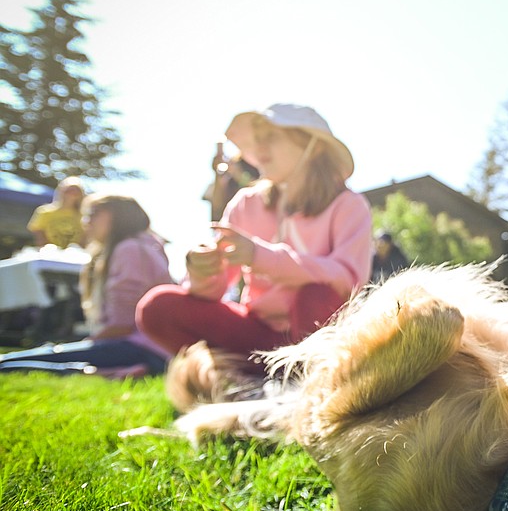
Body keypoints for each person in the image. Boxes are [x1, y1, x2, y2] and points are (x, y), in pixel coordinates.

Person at [136, 104, 373, 366]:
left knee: (316, 295)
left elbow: (348, 279)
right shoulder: (246, 204)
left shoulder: (348, 205)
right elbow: (217, 287)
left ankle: (300, 379)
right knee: (157, 307)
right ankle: (254, 377)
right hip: (255, 332)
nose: (259, 149)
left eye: (271, 138)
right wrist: (203, 271)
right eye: (257, 141)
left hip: (319, 339)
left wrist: (261, 256)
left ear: (313, 146)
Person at [1, 194, 173, 376]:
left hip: (140, 348)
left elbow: (123, 323)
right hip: (145, 347)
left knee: (28, 362)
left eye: (93, 214)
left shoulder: (129, 249)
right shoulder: (142, 246)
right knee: (44, 356)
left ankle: (114, 371)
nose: (86, 221)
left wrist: (88, 342)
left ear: (118, 216)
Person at [27, 176, 86, 248]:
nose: (72, 194)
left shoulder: (83, 215)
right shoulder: (45, 211)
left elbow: (85, 236)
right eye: (69, 190)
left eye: (75, 191)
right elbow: (39, 233)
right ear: (61, 191)